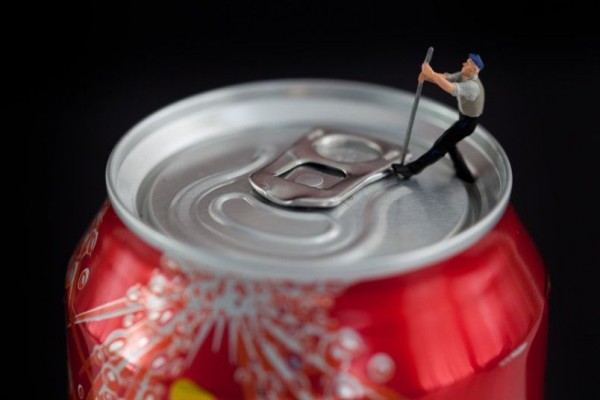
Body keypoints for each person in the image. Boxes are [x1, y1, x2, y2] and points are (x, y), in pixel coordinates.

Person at [392, 53, 485, 183]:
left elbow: (450, 88)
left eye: (468, 63)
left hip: (468, 123)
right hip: (463, 118)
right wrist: (428, 76)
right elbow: (446, 78)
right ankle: (464, 173)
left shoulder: (472, 86)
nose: (464, 63)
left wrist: (430, 73)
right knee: (450, 145)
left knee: (441, 145)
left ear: (474, 69)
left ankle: (410, 170)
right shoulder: (463, 75)